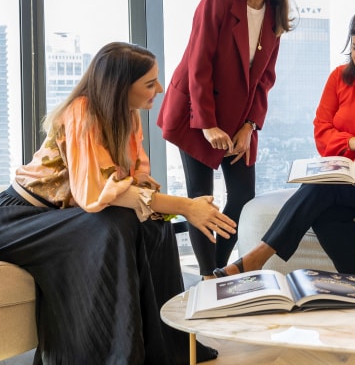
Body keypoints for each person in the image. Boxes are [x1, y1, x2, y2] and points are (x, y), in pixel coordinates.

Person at [0, 42, 237, 364]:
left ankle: (166, 349)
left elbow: (132, 184)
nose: (161, 88)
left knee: (155, 224)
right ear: (121, 86)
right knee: (114, 225)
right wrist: (185, 205)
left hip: (65, 215)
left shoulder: (129, 117)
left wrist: (174, 207)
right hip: (19, 216)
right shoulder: (81, 112)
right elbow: (96, 191)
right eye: (150, 83)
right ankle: (115, 355)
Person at [213, 5, 355, 278]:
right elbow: (322, 131)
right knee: (326, 215)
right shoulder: (338, 79)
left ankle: (256, 257)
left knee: (323, 190)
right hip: (351, 180)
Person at [157, 0, 293, 280]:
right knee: (200, 199)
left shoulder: (276, 10)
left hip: (239, 118)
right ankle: (208, 276)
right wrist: (206, 123)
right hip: (196, 111)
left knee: (243, 196)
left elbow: (265, 78)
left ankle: (214, 273)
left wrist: (250, 126)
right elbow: (197, 64)